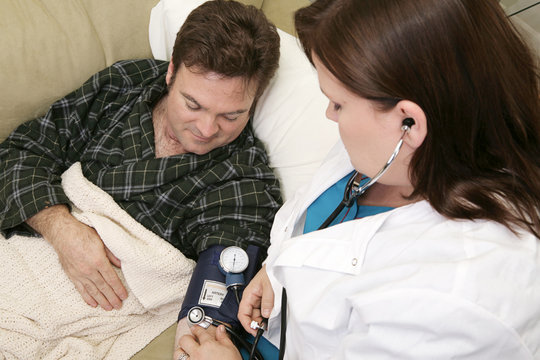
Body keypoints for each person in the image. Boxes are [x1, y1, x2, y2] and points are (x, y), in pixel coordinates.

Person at [175, 0, 540, 359]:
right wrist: (278, 269)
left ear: (409, 123)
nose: (329, 114)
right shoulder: (395, 144)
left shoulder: (458, 303)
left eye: (338, 103)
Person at [0, 0, 281, 328]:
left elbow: (219, 286)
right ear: (172, 71)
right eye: (193, 104)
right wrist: (62, 230)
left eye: (231, 115)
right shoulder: (122, 87)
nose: (206, 130)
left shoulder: (243, 182)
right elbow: (22, 151)